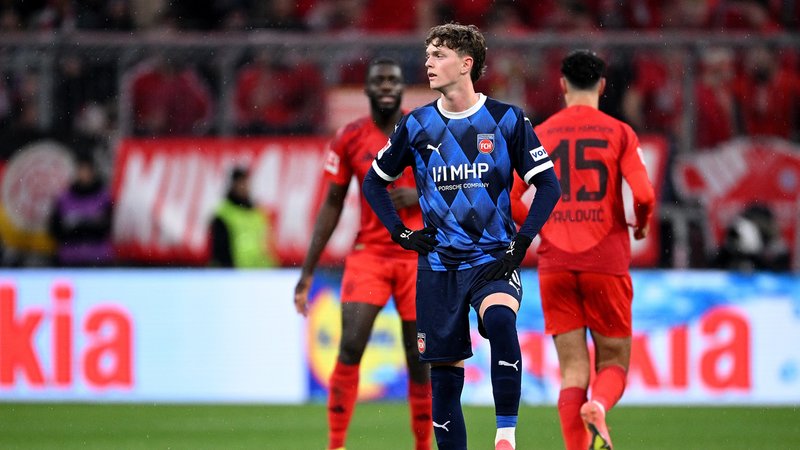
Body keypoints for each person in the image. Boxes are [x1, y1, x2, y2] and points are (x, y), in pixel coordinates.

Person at [362, 24, 561, 450]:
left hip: (493, 259)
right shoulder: (416, 125)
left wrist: (522, 242)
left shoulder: (507, 120)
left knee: (502, 321)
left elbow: (549, 185)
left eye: (439, 55)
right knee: (445, 378)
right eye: (428, 54)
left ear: (466, 64)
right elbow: (373, 182)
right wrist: (400, 233)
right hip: (438, 266)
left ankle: (505, 434)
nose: (428, 62)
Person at [293, 57, 432, 450]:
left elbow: (458, 185)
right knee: (351, 343)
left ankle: (423, 446)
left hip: (417, 257)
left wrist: (419, 195)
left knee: (419, 360)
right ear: (368, 90)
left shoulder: (426, 131)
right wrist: (307, 271)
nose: (387, 86)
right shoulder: (349, 136)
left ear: (402, 88)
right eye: (379, 81)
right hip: (370, 254)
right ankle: (335, 445)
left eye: (393, 80)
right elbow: (332, 204)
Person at [533, 50, 655, 450]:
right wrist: (640, 222)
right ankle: (599, 404)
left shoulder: (540, 134)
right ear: (602, 86)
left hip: (555, 263)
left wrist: (542, 228)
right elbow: (644, 193)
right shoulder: (620, 132)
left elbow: (512, 198)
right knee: (615, 361)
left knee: (572, 370)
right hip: (606, 258)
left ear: (562, 85)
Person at [48, 152, 115, 267]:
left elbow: (107, 228)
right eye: (81, 170)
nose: (84, 174)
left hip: (98, 258)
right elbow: (55, 229)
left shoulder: (104, 197)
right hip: (69, 258)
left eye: (88, 170)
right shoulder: (63, 198)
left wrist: (78, 226)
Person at [209, 166, 276, 268]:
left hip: (262, 274)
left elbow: (268, 246)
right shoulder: (223, 215)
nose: (244, 187)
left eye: (246, 183)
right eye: (241, 183)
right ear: (233, 185)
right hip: (236, 275)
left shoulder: (259, 213)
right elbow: (220, 251)